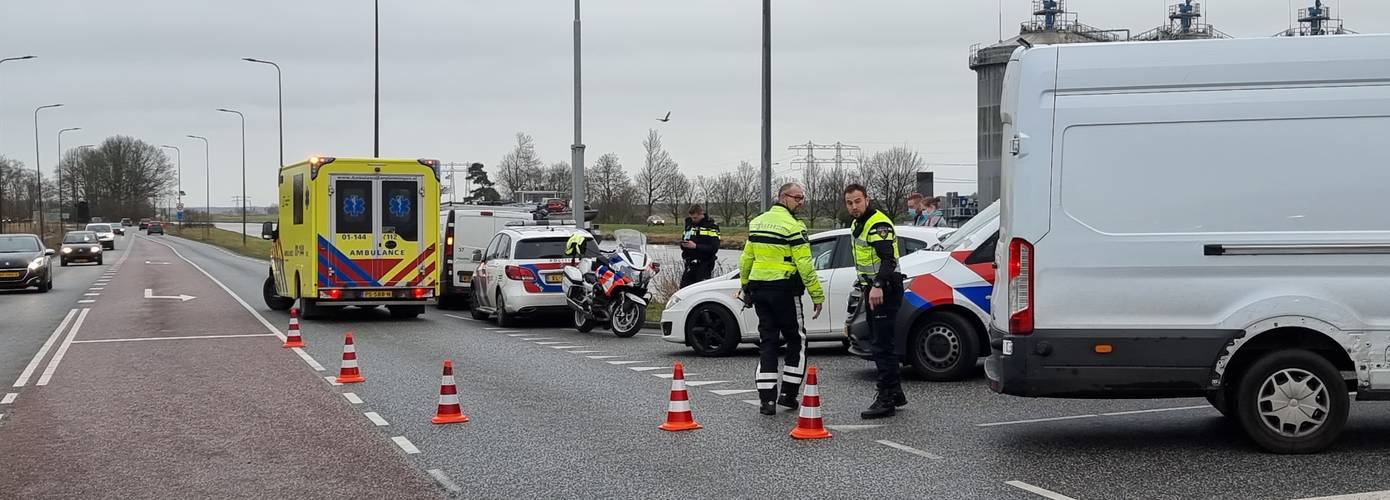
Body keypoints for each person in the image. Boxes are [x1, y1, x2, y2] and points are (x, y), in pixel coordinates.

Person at [739, 183, 824, 416]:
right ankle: (787, 394)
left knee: (768, 341)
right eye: (797, 198)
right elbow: (805, 265)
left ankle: (767, 400)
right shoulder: (794, 226)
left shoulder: (757, 223)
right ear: (783, 197)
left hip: (759, 290)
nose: (801, 202)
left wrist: (745, 286)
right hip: (785, 290)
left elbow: (747, 258)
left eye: (802, 198)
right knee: (796, 339)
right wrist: (817, 294)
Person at [844, 183, 906, 419]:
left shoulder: (877, 224)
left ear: (867, 199)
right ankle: (896, 391)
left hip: (885, 288)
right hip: (873, 288)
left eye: (858, 201)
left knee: (881, 345)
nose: (854, 206)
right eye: (849, 203)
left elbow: (888, 260)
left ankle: (886, 398)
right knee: (881, 341)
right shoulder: (857, 224)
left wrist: (878, 285)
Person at [679, 205, 720, 288]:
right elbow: (684, 240)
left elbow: (714, 248)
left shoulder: (711, 227)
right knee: (683, 290)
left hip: (705, 264)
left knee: (700, 290)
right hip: (690, 263)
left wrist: (696, 246)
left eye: (695, 218)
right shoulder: (689, 225)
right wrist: (684, 245)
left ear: (702, 214)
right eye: (692, 218)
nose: (693, 220)